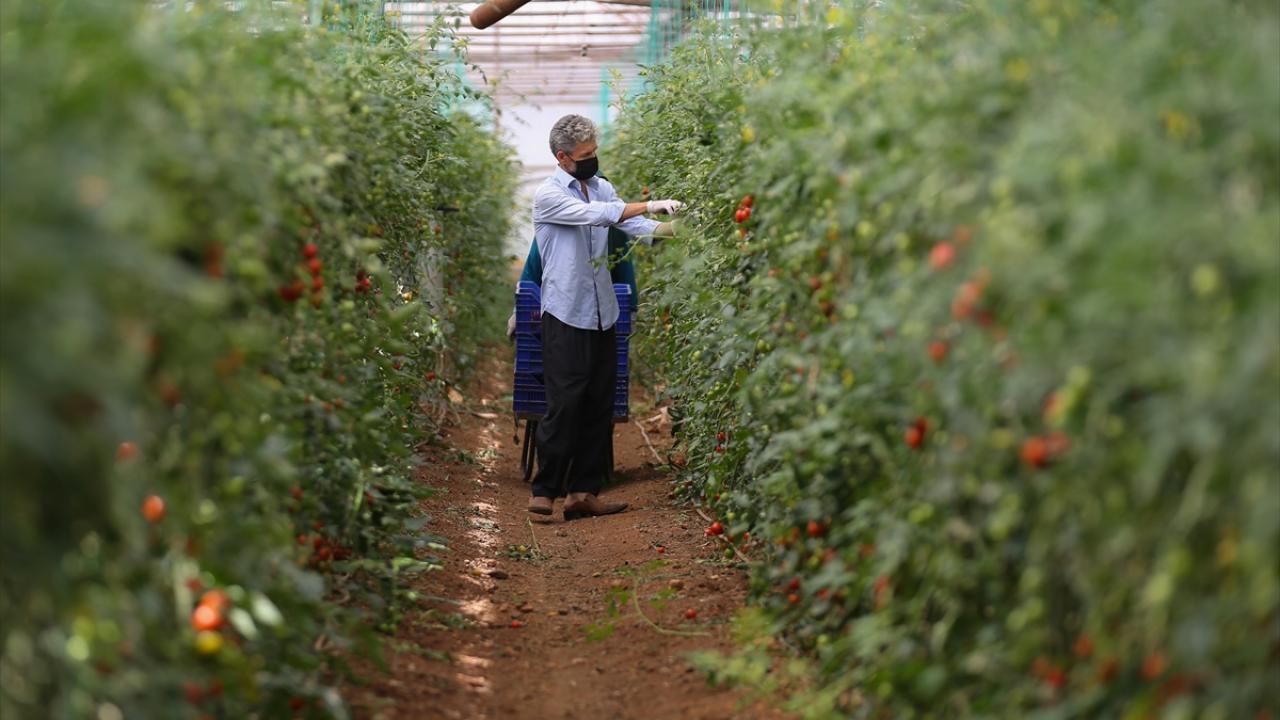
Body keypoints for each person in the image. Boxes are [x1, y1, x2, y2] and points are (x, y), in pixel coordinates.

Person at [527, 114, 682, 520]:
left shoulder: (602, 188)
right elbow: (602, 216)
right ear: (563, 158)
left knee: (599, 402)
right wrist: (648, 203)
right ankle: (545, 490)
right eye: (585, 155)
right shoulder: (548, 196)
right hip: (565, 312)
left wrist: (667, 229)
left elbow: (626, 223)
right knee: (565, 402)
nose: (593, 160)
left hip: (602, 312)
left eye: (595, 151)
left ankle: (583, 492)